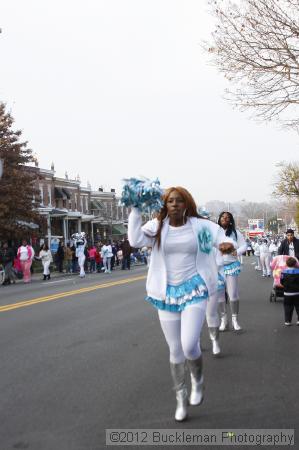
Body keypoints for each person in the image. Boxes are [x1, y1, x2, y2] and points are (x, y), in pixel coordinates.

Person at [128, 186, 226, 422]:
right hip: (166, 293)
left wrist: (226, 245)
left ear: (186, 204)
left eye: (179, 200)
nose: (174, 204)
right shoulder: (157, 227)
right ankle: (181, 398)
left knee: (189, 344)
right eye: (170, 201)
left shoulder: (199, 226)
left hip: (194, 288)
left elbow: (220, 236)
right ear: (165, 205)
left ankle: (198, 380)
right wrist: (135, 209)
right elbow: (134, 240)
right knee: (175, 349)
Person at [217, 212, 247, 332]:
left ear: (230, 220)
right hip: (217, 267)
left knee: (233, 294)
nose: (225, 219)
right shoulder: (214, 232)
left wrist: (237, 252)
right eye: (223, 217)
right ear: (219, 219)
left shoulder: (235, 233)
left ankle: (235, 319)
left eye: (227, 218)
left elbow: (244, 245)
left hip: (231, 266)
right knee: (219, 296)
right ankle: (224, 319)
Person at [280, 257, 299, 326]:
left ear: (287, 264)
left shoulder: (283, 272)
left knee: (288, 307)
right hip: (297, 292)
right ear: (295, 264)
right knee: (298, 306)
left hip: (287, 293)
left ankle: (287, 321)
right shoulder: (298, 271)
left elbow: (281, 282)